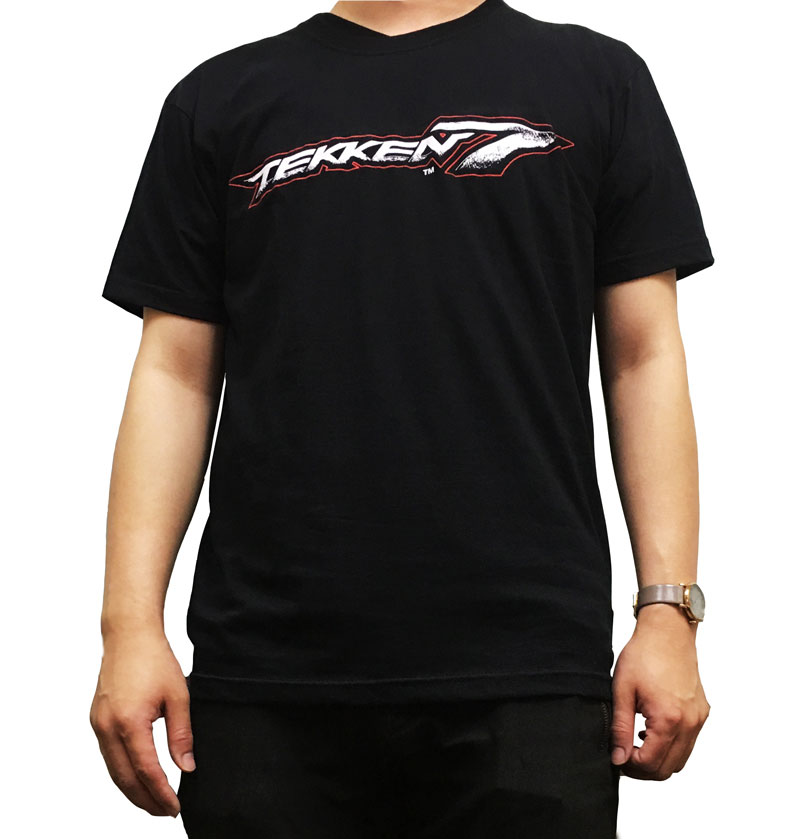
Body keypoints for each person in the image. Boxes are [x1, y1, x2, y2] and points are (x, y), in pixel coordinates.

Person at [89, 1, 714, 836]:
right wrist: (129, 627)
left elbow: (643, 357)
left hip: (525, 672)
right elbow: (173, 373)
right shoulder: (222, 98)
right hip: (269, 678)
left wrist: (667, 611)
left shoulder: (597, 81)